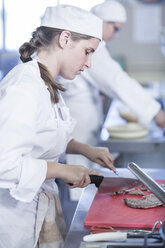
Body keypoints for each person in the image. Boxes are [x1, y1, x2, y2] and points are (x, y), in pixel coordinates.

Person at [0, 5, 116, 248]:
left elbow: (43, 136)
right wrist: (62, 171)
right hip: (13, 221)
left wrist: (84, 149)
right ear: (65, 39)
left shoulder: (46, 82)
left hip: (33, 211)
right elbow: (4, 164)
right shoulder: (24, 87)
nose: (89, 63)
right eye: (87, 51)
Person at [59, 0, 165, 167]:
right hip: (78, 122)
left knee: (83, 173)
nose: (116, 35)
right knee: (78, 176)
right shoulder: (91, 47)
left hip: (84, 120)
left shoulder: (96, 45)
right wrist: (155, 112)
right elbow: (117, 81)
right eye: (116, 28)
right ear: (102, 21)